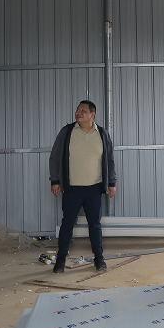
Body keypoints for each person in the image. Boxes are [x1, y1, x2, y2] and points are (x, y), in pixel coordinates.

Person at [49, 100, 117, 273]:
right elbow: (55, 157)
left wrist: (111, 183)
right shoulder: (67, 132)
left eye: (83, 111)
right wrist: (55, 180)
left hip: (94, 188)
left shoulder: (102, 134)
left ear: (92, 115)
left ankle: (99, 258)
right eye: (77, 110)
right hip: (72, 188)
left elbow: (109, 160)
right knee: (67, 224)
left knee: (95, 225)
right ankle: (61, 260)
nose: (78, 113)